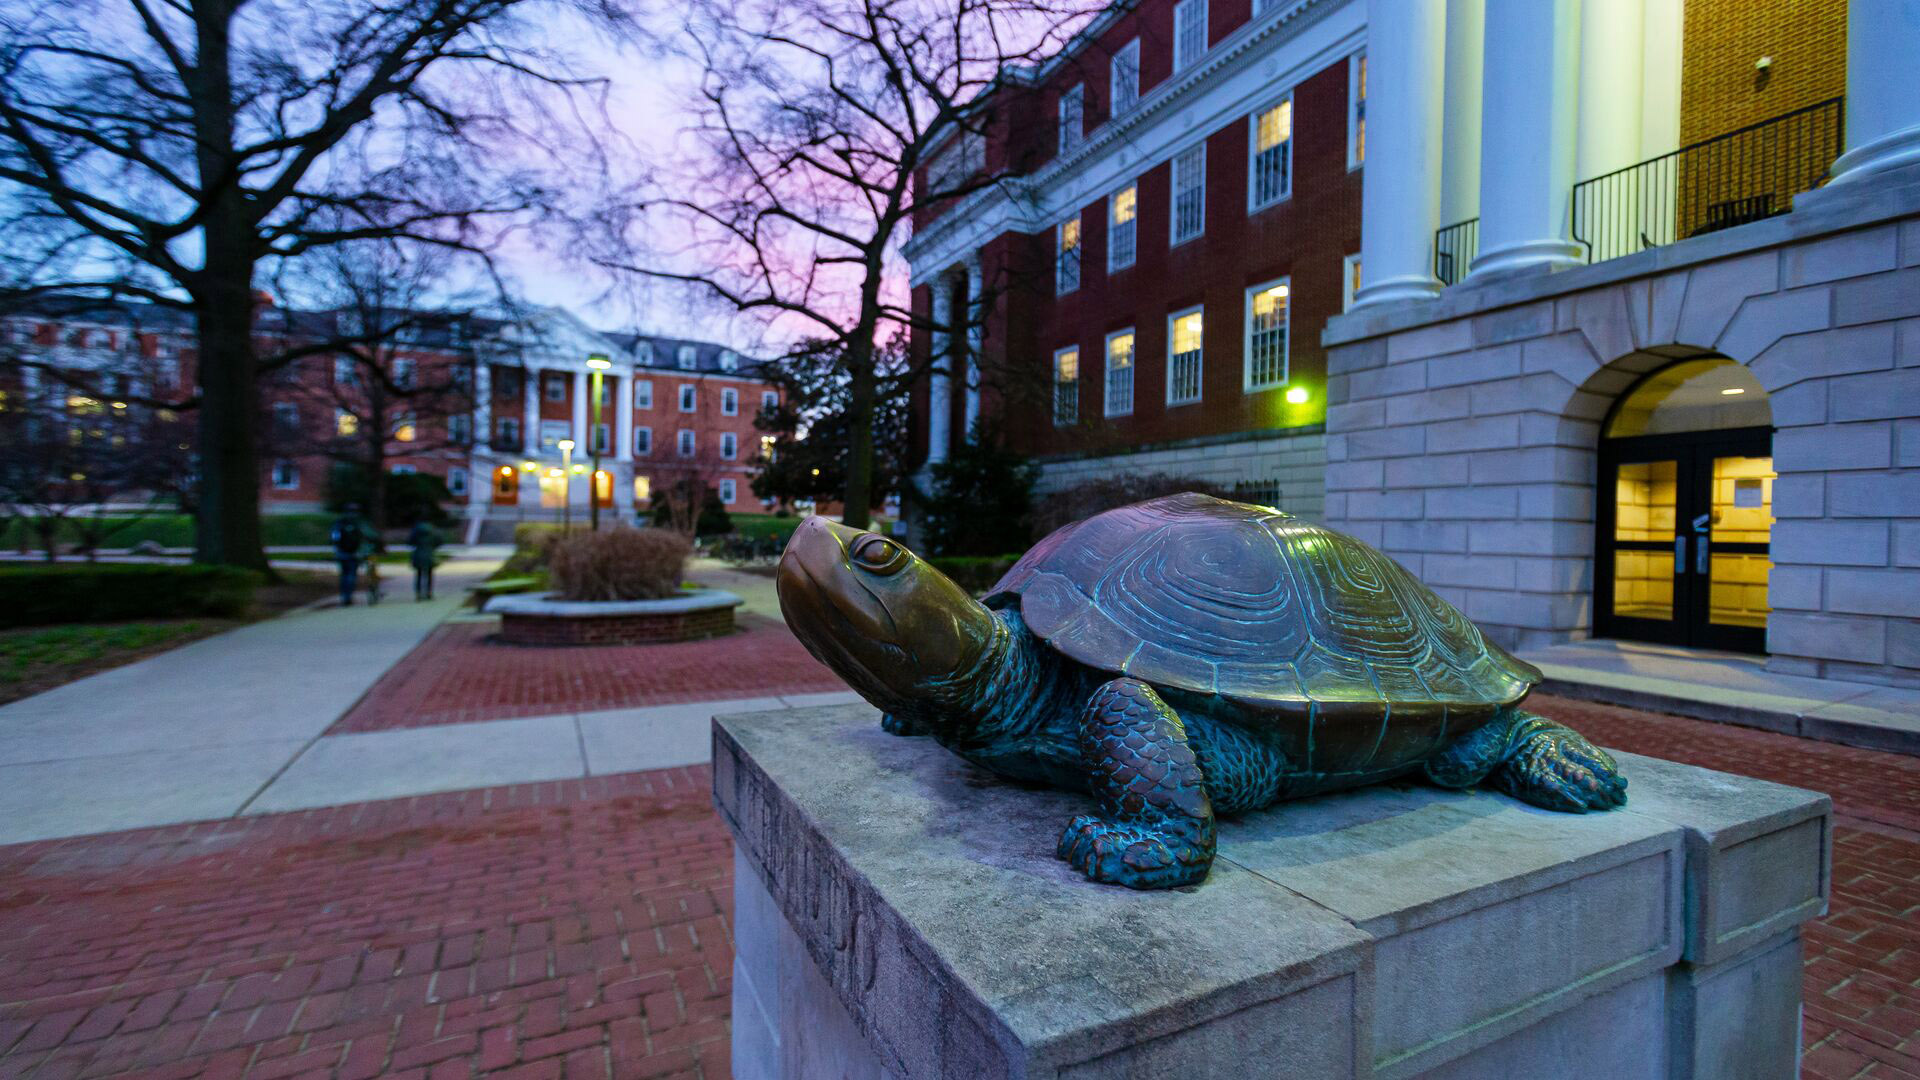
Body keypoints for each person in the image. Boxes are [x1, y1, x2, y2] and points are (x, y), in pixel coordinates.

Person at [330, 504, 368, 606]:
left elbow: (334, 537)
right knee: (351, 575)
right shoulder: (358, 522)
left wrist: (337, 549)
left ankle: (344, 596)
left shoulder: (340, 523)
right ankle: (349, 595)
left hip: (342, 553)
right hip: (354, 553)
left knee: (344, 575)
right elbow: (364, 536)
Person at [407, 519, 443, 600]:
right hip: (430, 555)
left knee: (418, 575)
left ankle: (418, 593)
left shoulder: (416, 531)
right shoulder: (433, 532)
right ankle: (429, 593)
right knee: (430, 575)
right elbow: (440, 541)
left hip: (418, 555)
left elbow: (409, 542)